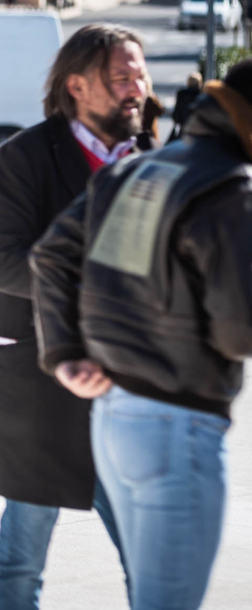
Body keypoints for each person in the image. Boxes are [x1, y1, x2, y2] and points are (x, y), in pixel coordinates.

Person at [30, 59, 252, 610]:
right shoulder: (230, 189)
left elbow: (51, 255)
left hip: (115, 414)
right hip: (179, 424)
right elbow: (239, 331)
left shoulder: (139, 170)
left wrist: (66, 353)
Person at [0, 24, 154, 608]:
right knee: (21, 560)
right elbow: (3, 265)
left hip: (133, 393)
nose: (138, 89)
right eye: (121, 77)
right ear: (78, 85)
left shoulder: (156, 162)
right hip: (40, 384)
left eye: (140, 75)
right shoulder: (23, 157)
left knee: (152, 562)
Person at [170, 71, 203, 141]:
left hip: (184, 132)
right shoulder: (203, 96)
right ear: (200, 83)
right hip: (199, 135)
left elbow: (176, 116)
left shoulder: (181, 95)